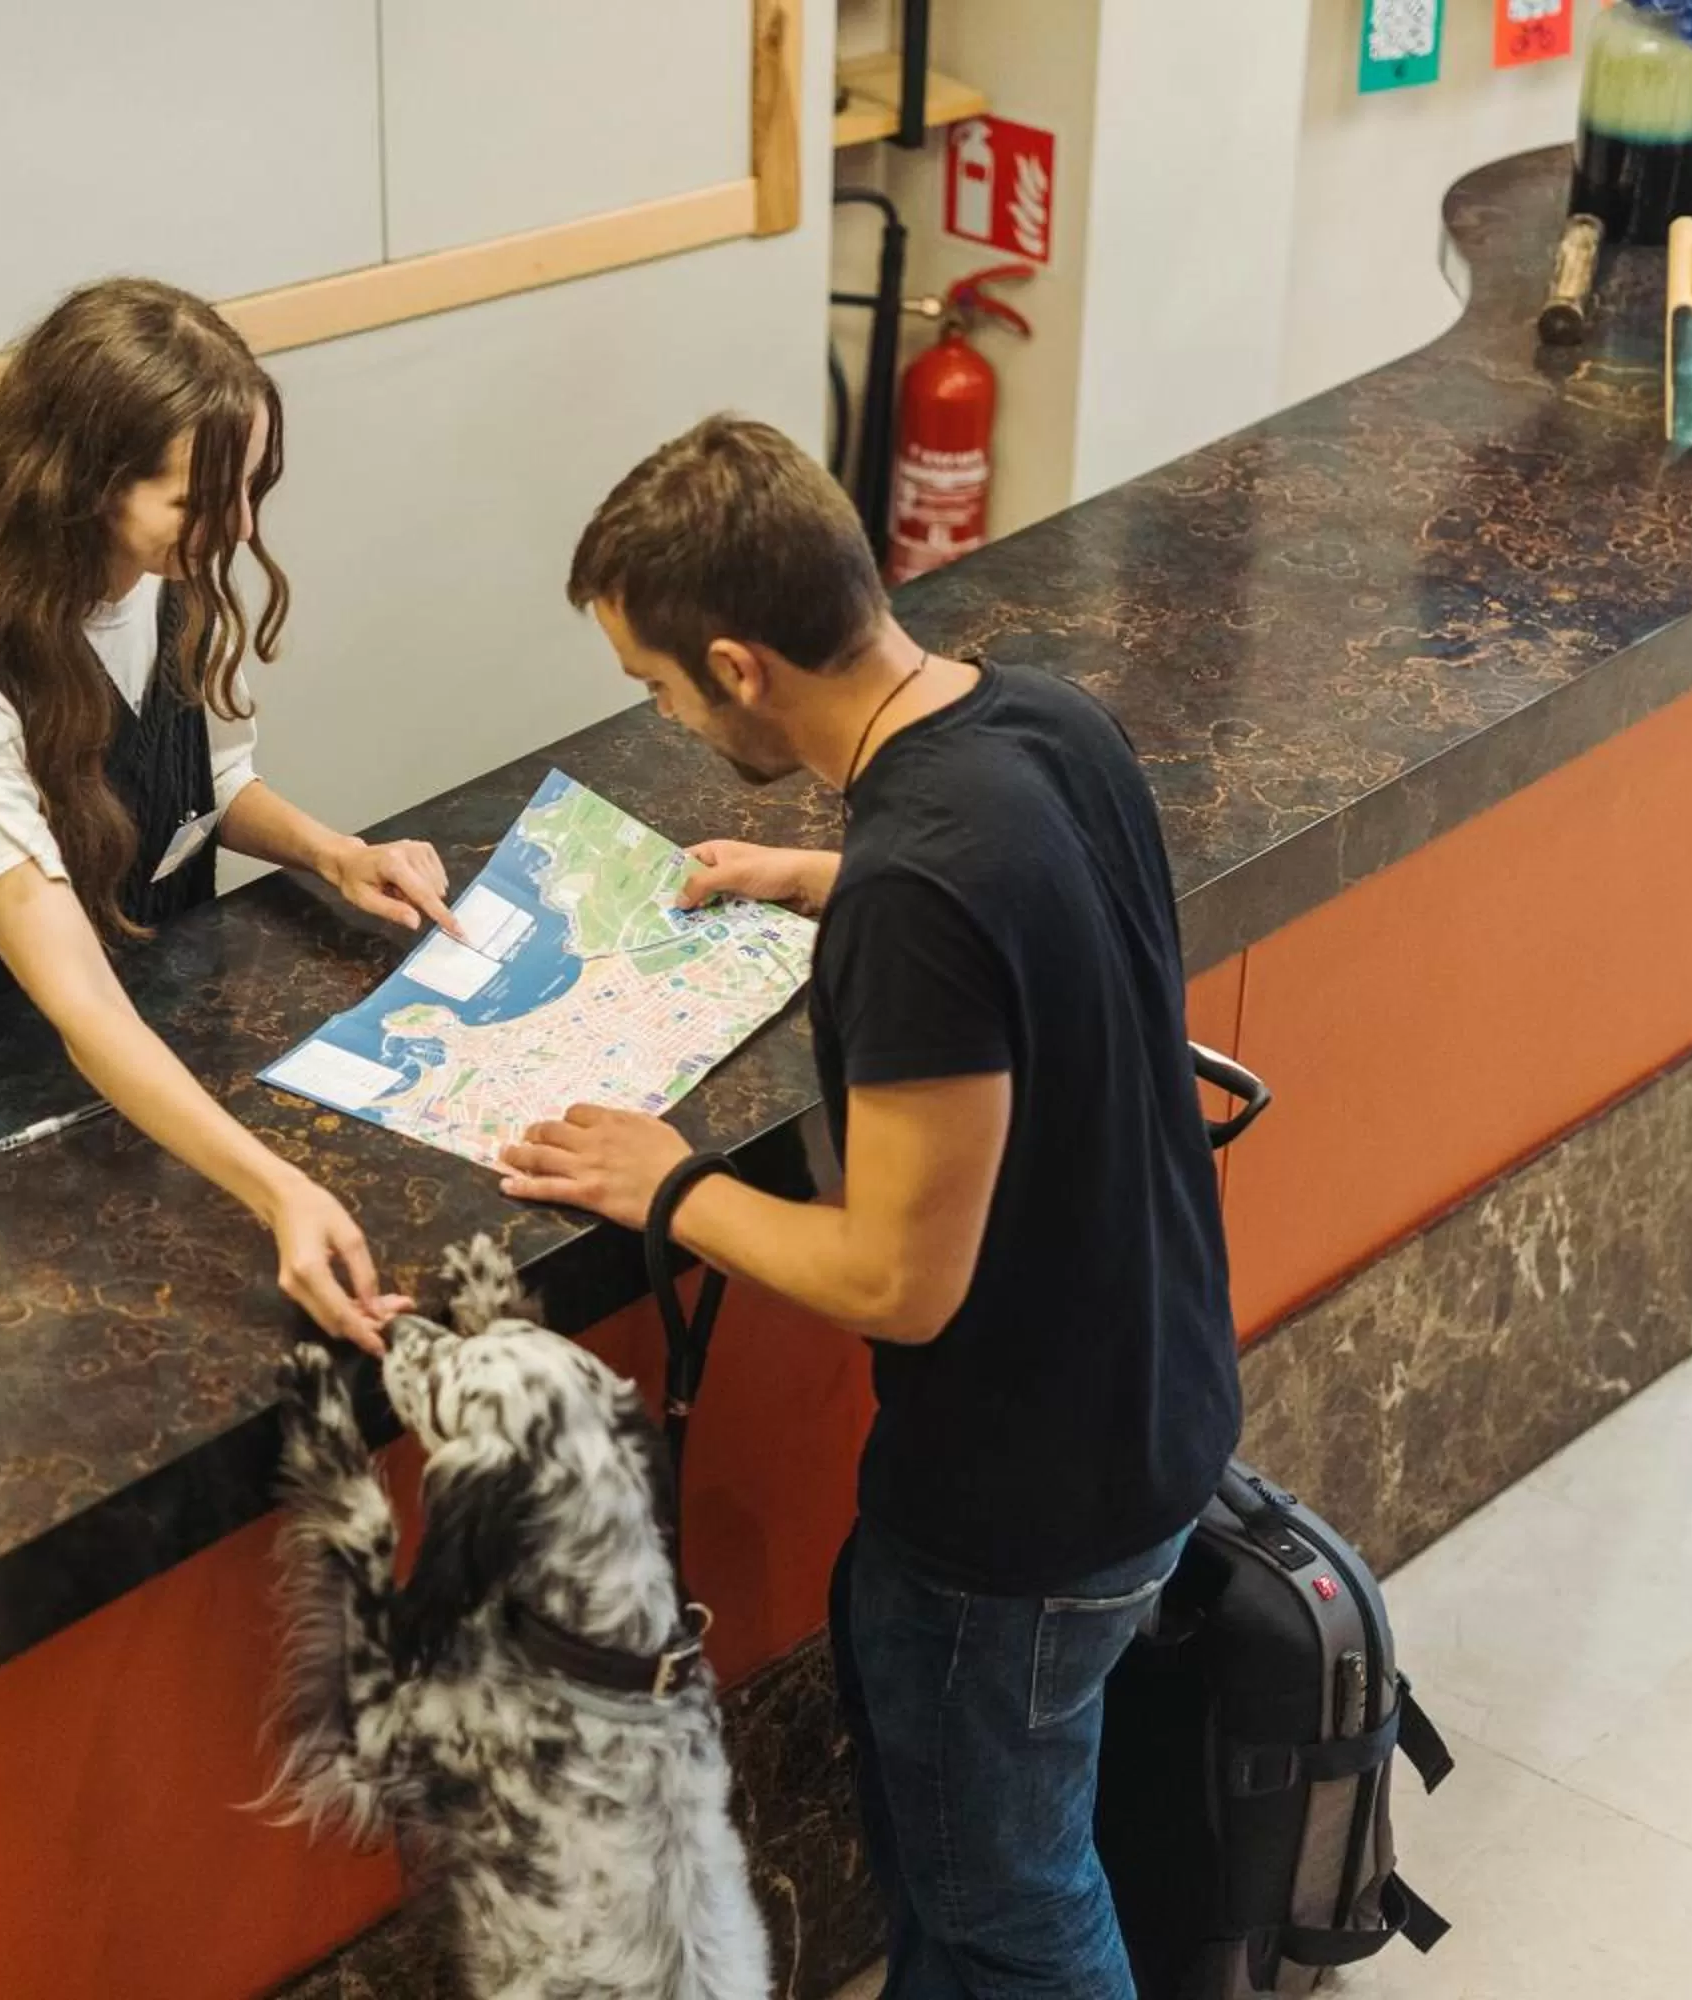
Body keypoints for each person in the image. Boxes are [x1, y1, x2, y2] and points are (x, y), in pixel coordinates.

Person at [501, 415, 1242, 1997]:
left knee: (1011, 1908)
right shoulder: (1042, 723)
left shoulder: (918, 891)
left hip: (1020, 1506)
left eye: (658, 685)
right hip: (1154, 1399)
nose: (665, 715)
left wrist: (669, 1183)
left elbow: (901, 1279)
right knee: (968, 1860)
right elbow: (1025, 901)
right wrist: (817, 879)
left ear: (738, 666)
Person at [0, 278, 458, 1352]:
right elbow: (81, 1000)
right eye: (200, 501)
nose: (239, 528)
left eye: (250, 489)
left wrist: (331, 853)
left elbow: (200, 788)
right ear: (88, 484)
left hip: (53, 1043)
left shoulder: (161, 576)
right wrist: (277, 1190)